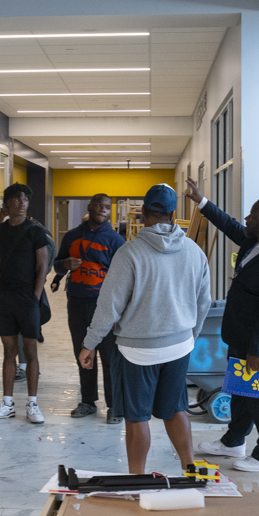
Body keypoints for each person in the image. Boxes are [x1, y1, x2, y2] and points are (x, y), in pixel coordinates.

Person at [79, 184, 211, 473]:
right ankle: (190, 470)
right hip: (179, 347)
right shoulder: (195, 252)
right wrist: (190, 337)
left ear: (142, 213)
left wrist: (90, 343)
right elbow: (204, 303)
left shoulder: (129, 254)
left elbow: (109, 305)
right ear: (173, 214)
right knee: (176, 409)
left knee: (137, 417)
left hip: (136, 350)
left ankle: (137, 477)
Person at [184, 178, 259, 472]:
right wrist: (201, 201)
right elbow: (231, 225)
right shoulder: (257, 240)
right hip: (242, 333)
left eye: (253, 217)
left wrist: (257, 351)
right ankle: (234, 441)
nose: (247, 220)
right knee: (242, 391)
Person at [55, 193, 126, 423]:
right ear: (90, 206)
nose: (102, 209)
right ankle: (88, 401)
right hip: (76, 302)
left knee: (109, 356)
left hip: (104, 307)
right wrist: (64, 264)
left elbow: (124, 278)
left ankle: (114, 405)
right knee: (83, 353)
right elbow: (57, 264)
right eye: (98, 205)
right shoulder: (72, 237)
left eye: (107, 207)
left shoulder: (116, 241)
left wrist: (120, 311)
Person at [0, 183, 51, 424]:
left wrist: (34, 296)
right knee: (8, 351)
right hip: (4, 298)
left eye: (25, 199)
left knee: (30, 351)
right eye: (18, 199)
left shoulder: (35, 230)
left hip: (27, 298)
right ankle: (7, 403)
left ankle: (32, 404)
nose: (22, 203)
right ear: (8, 203)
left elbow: (43, 266)